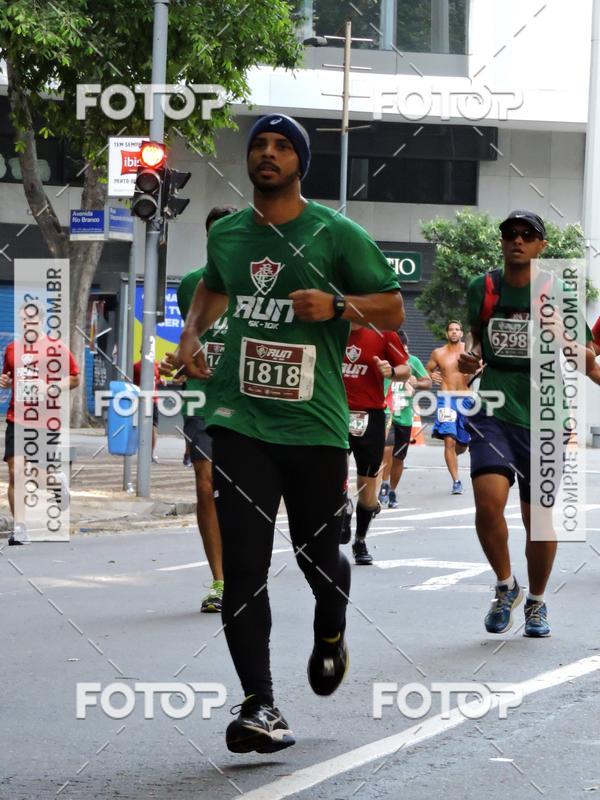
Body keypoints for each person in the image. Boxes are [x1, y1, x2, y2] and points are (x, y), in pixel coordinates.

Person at [177, 113, 404, 753]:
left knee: (316, 554)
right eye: (259, 145)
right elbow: (212, 289)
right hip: (241, 421)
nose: (268, 154)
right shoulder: (229, 235)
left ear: (301, 162)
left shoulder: (334, 232)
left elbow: (392, 306)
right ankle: (260, 704)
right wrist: (192, 333)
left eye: (282, 146)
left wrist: (338, 306)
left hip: (314, 426)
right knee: (244, 567)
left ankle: (330, 630)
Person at [459, 209, 600, 638]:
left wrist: (560, 334)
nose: (517, 240)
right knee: (488, 503)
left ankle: (536, 601)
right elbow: (476, 336)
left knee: (538, 518)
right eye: (510, 233)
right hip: (494, 406)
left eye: (527, 234)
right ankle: (506, 586)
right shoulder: (483, 287)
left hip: (545, 414)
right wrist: (471, 356)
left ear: (541, 245)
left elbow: (586, 360)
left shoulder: (559, 292)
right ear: (502, 241)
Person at [162, 205, 237, 613]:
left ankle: (246, 574)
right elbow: (191, 339)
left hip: (249, 403)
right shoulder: (193, 284)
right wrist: (179, 362)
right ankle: (220, 582)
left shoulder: (258, 283)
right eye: (216, 235)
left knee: (242, 492)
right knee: (205, 485)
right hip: (203, 399)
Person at [1, 302, 80, 545]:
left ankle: (56, 483)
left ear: (42, 322)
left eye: (33, 321)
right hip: (17, 417)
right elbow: (8, 376)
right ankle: (20, 528)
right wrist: (5, 381)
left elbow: (75, 378)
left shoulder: (56, 347)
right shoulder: (12, 349)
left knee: (34, 474)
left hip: (45, 421)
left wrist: (51, 387)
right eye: (24, 320)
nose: (28, 325)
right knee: (15, 472)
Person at [341, 323, 409, 563]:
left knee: (367, 484)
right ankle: (342, 507)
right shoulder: (330, 326)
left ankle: (360, 540)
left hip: (370, 415)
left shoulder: (384, 332)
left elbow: (405, 369)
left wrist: (391, 371)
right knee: (330, 471)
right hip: (333, 412)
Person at [379, 330, 432, 508]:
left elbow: (428, 382)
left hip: (405, 415)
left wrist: (417, 383)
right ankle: (384, 484)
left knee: (399, 457)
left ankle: (392, 490)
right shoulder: (383, 361)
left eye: (403, 348)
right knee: (387, 448)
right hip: (386, 411)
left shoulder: (413, 361)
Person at [426, 320, 472, 495]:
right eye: (451, 330)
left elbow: (481, 367)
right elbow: (427, 370)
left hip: (466, 399)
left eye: (457, 329)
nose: (454, 332)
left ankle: (453, 455)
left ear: (461, 333)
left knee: (463, 444)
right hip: (446, 399)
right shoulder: (438, 353)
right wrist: (431, 375)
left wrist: (477, 370)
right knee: (449, 441)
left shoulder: (469, 351)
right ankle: (456, 481)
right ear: (447, 334)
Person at [132, 357, 164, 463]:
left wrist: (161, 381)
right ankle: (148, 454)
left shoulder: (156, 365)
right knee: (148, 427)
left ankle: (149, 454)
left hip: (151, 400)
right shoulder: (137, 366)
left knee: (152, 427)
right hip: (143, 400)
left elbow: (157, 379)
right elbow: (134, 383)